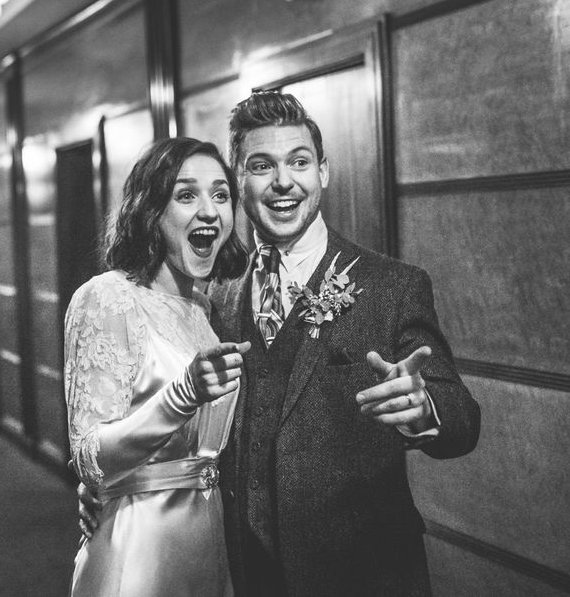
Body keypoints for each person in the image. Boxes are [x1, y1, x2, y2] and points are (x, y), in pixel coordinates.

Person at [80, 91, 481, 596]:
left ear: (324, 173)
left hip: (363, 574)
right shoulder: (212, 296)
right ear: (239, 182)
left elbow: (464, 423)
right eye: (262, 165)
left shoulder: (393, 286)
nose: (284, 181)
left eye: (299, 162)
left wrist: (426, 409)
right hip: (236, 570)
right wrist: (111, 486)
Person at [63, 137, 250, 596]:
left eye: (221, 195)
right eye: (187, 195)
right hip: (141, 542)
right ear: (152, 211)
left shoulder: (202, 311)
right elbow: (88, 455)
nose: (209, 210)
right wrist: (181, 396)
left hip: (206, 534)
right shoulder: (108, 297)